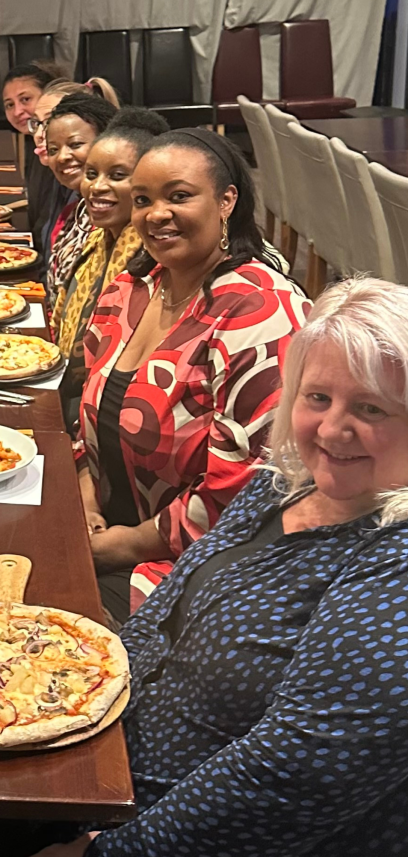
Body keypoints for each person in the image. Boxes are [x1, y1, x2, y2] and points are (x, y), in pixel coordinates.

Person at [27, 279, 408, 857]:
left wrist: (104, 850)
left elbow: (292, 778)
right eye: (317, 398)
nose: (332, 430)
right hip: (96, 765)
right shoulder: (284, 483)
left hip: (159, 830)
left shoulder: (394, 571)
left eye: (370, 408)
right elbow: (167, 614)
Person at [78, 129, 312, 623]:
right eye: (142, 200)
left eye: (178, 196)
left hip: (203, 565)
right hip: (105, 533)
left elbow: (249, 492)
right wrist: (82, 499)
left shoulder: (260, 311)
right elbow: (87, 413)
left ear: (227, 200)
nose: (155, 214)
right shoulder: (132, 289)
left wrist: (121, 547)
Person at [51, 108, 169, 433]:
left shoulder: (153, 259)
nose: (97, 187)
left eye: (117, 176)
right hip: (64, 396)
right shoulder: (96, 240)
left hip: (110, 422)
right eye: (91, 174)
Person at [31, 78, 119, 272]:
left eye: (75, 144)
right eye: (54, 149)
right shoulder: (76, 207)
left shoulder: (116, 211)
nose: (62, 157)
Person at [1, 62, 67, 262]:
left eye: (25, 99)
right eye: (10, 105)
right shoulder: (33, 143)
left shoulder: (58, 154)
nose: (17, 111)